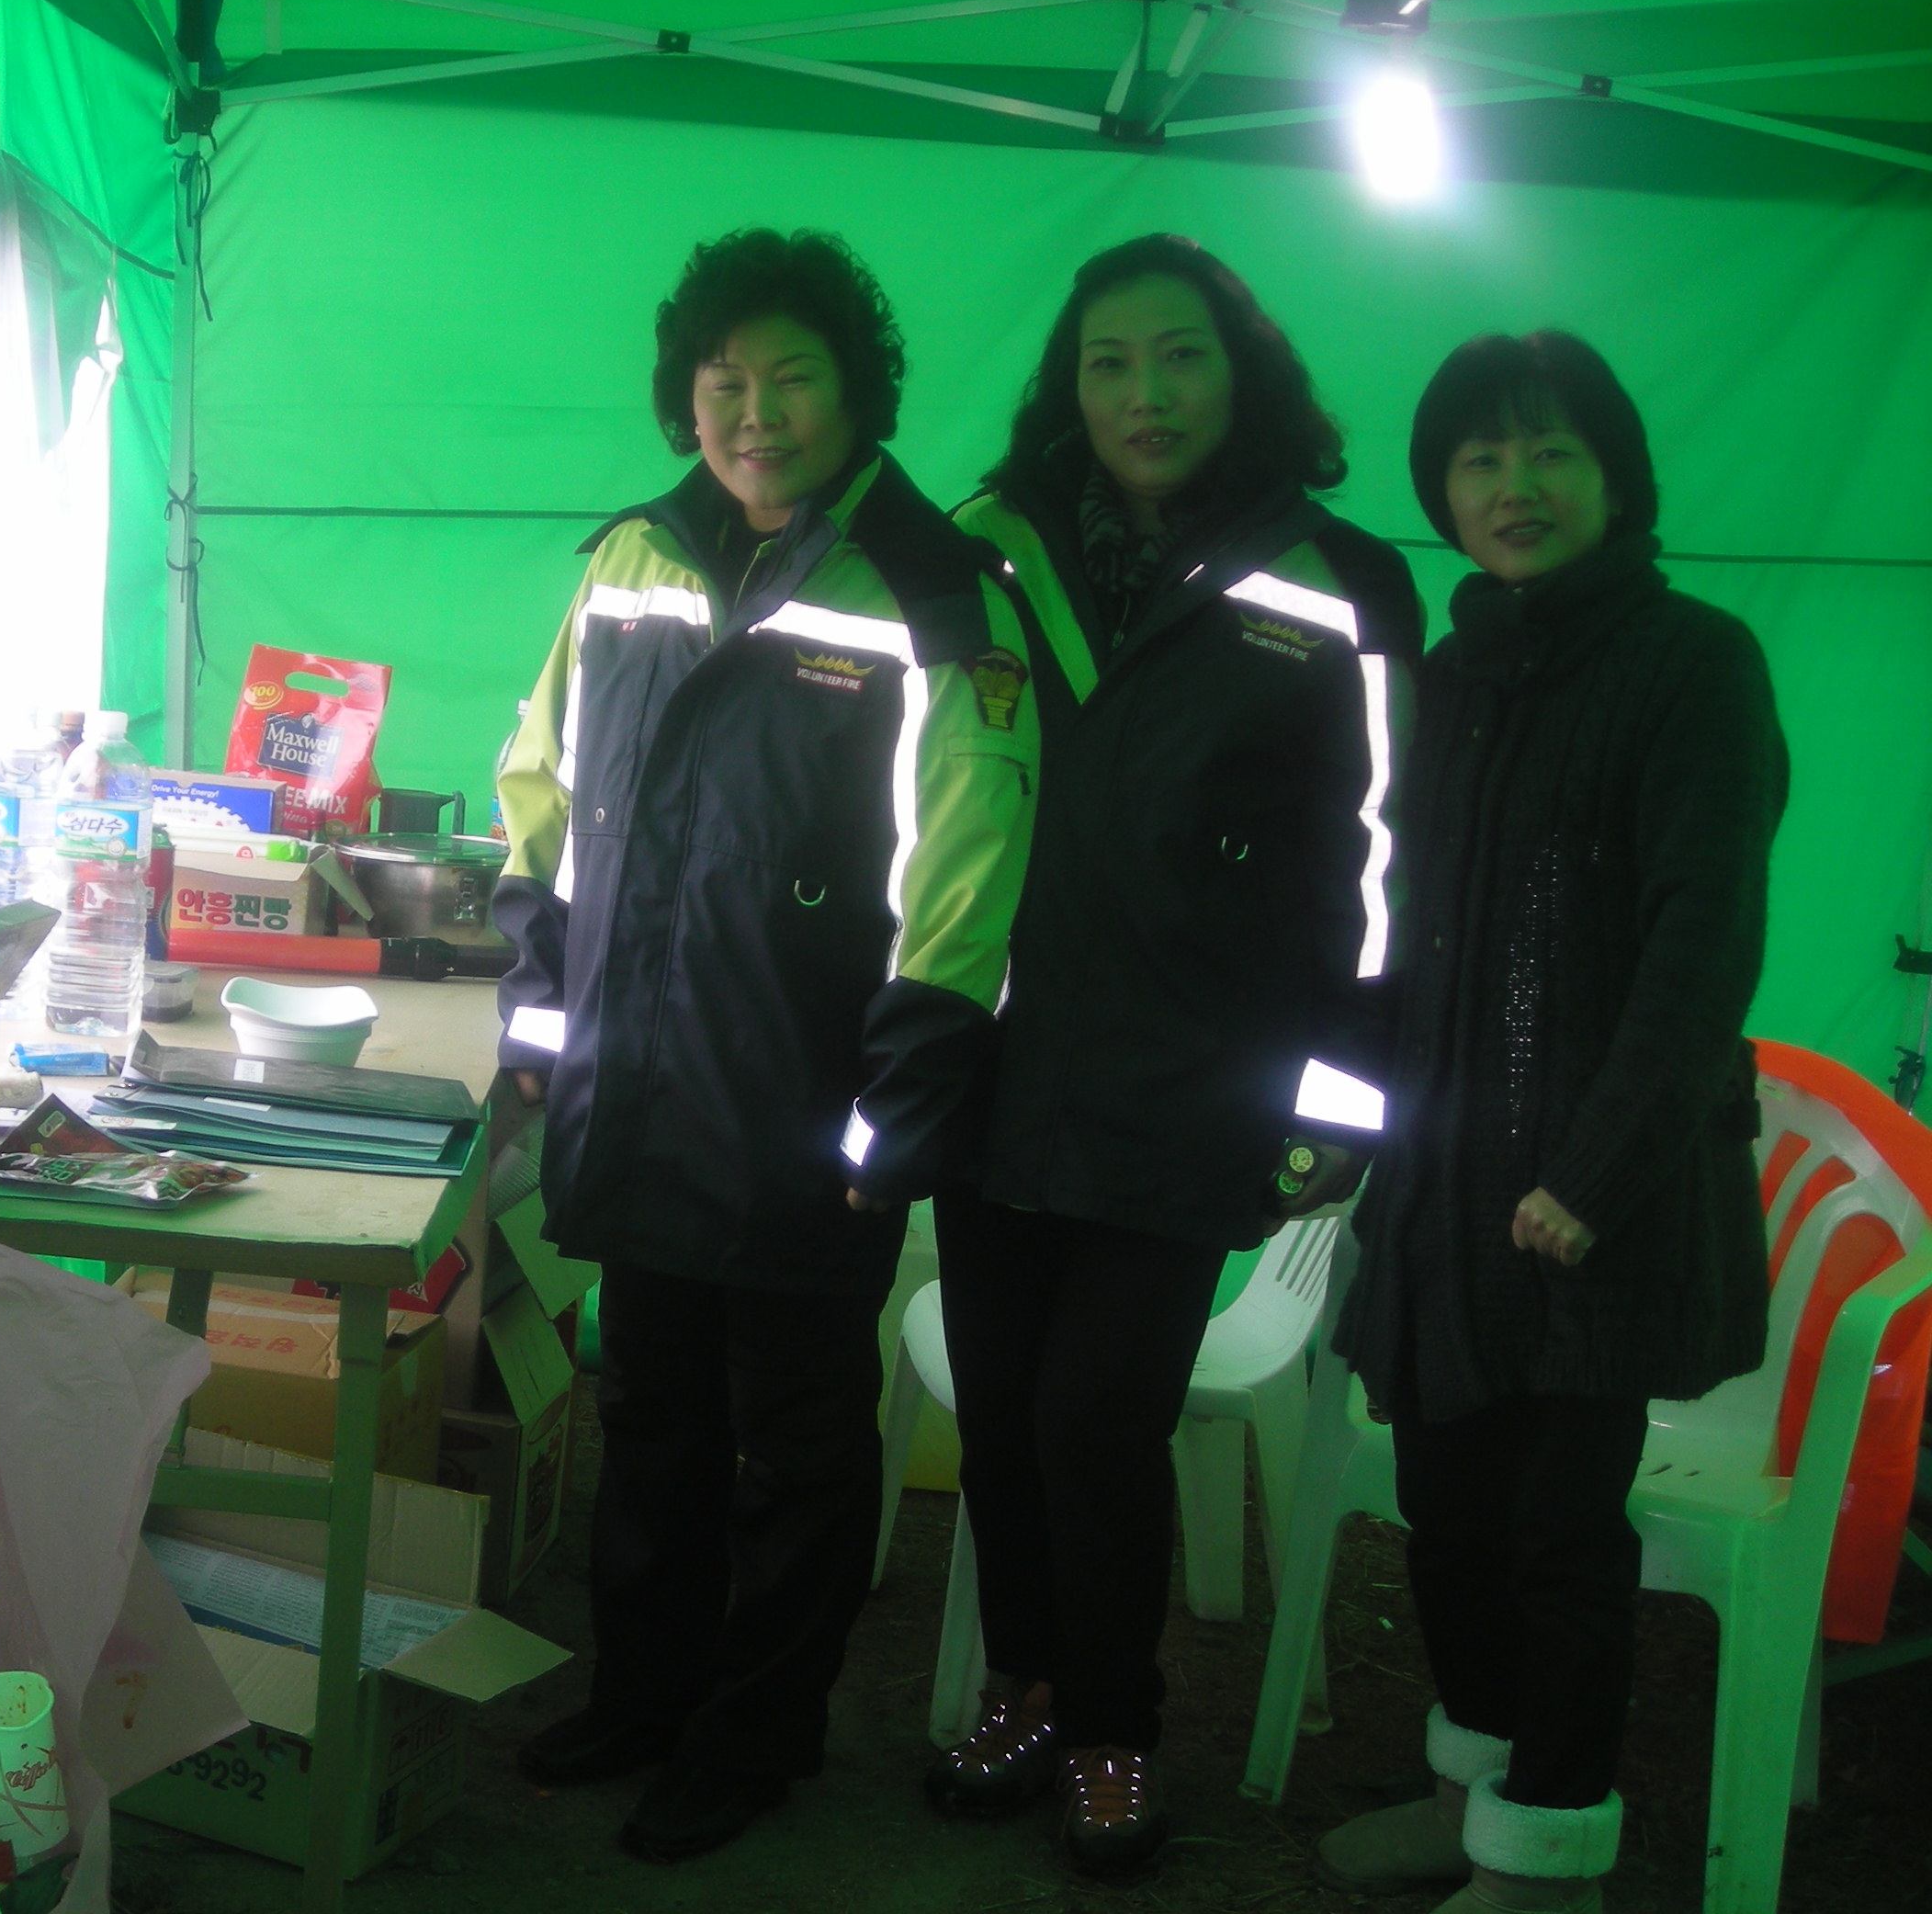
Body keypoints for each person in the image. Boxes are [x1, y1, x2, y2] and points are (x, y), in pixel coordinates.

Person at [491, 228, 1042, 1864]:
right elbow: (540, 788)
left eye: (792, 378)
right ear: (688, 397)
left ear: (856, 396)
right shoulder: (632, 558)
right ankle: (643, 1695)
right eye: (724, 382)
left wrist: (903, 1104)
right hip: (638, 1082)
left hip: (807, 1100)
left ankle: (755, 1737)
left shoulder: (934, 588)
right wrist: (540, 1017)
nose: (754, 413)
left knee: (795, 1445)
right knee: (649, 1410)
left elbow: (968, 868)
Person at [929, 233, 1422, 1874]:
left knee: (1095, 1418)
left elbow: (1383, 860)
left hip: (1194, 1083)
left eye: (1181, 354)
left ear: (1244, 370)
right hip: (1001, 1064)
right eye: (1110, 361)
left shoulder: (1341, 580)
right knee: (1003, 1408)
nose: (1145, 392)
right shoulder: (988, 552)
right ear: (1070, 387)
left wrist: (1344, 1096)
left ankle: (1113, 1729)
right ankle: (1026, 1684)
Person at [1317, 331, 1787, 1914]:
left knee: (1558, 1531)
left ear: (1615, 477)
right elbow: (1416, 923)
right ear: (1444, 491)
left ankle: (1551, 1851)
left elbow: (1701, 947)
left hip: (1597, 1201)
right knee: (1441, 1509)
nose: (1515, 486)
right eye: (1481, 459)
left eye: (1550, 452)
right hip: (1449, 1178)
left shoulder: (1695, 662)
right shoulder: (1456, 677)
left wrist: (1593, 1173)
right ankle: (1480, 1789)